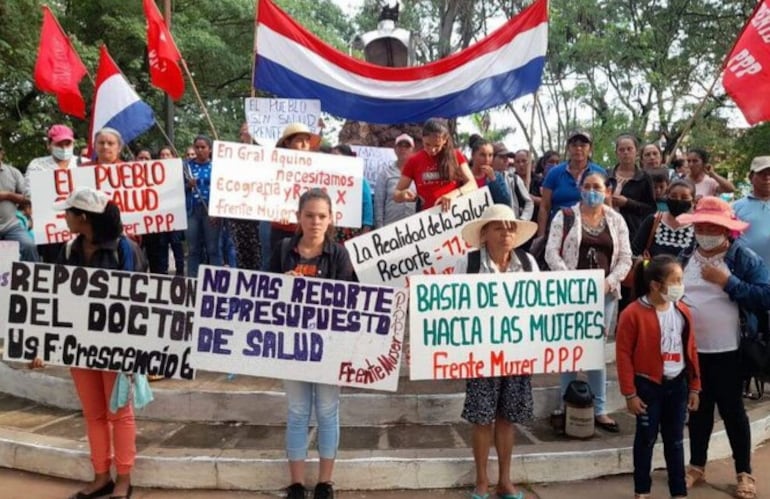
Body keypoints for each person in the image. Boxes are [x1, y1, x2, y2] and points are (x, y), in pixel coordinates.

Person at [53, 187, 147, 499]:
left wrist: (133, 352)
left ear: (83, 217)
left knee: (119, 414)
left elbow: (139, 298)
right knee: (93, 413)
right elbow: (54, 296)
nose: (64, 217)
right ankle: (100, 476)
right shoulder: (68, 250)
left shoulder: (125, 249)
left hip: (116, 346)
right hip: (79, 345)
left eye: (68, 212)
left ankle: (124, 479)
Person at [677, 197, 770, 499]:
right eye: (700, 225)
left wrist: (728, 282)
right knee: (699, 411)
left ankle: (744, 472)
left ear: (727, 229)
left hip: (730, 351)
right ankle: (696, 466)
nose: (705, 231)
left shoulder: (742, 257)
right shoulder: (686, 256)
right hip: (692, 351)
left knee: (733, 413)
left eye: (712, 226)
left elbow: (765, 296)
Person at [268, 188, 355, 499]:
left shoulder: (340, 254)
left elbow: (350, 300)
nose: (315, 221)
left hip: (329, 347)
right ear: (298, 218)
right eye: (309, 215)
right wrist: (283, 286)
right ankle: (296, 483)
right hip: (291, 345)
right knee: (297, 411)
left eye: (321, 216)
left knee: (328, 411)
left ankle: (325, 482)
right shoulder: (281, 251)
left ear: (331, 219)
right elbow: (262, 294)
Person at [456, 204, 538, 499]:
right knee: (482, 418)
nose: (506, 232)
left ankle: (505, 480)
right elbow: (452, 307)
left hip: (517, 353)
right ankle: (482, 481)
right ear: (485, 234)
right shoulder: (468, 264)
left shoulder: (528, 263)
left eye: (511, 227)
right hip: (480, 353)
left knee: (507, 417)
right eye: (499, 227)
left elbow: (540, 307)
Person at [545, 169, 632, 432]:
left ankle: (600, 408)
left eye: (598, 187)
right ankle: (565, 403)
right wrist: (572, 283)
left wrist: (611, 281)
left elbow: (626, 257)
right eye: (588, 186)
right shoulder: (566, 216)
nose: (592, 191)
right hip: (569, 295)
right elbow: (551, 252)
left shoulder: (616, 220)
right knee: (569, 349)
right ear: (580, 188)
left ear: (607, 191)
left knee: (595, 351)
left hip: (604, 295)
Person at [616, 255, 701, 499]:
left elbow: (691, 350)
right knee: (646, 439)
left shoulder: (683, 311)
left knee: (675, 441)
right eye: (675, 281)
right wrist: (629, 393)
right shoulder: (633, 314)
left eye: (681, 280)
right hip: (647, 386)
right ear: (655, 285)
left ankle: (678, 491)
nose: (679, 286)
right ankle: (642, 490)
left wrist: (695, 386)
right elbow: (623, 355)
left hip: (677, 386)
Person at [24, 124, 83, 262]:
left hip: (80, 230)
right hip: (51, 230)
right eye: (59, 144)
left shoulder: (83, 163)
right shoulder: (37, 165)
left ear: (73, 144)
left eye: (67, 143)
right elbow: (29, 193)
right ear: (49, 144)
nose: (64, 148)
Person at [393, 118, 476, 212]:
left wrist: (454, 194)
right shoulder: (414, 161)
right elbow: (396, 195)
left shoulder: (455, 155)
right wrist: (402, 194)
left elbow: (473, 184)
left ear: (445, 140)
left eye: (437, 146)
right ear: (422, 138)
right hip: (428, 218)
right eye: (427, 144)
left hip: (455, 214)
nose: (432, 150)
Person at [537, 130, 606, 237]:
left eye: (583, 145)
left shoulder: (600, 173)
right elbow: (544, 207)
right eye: (574, 145)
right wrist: (540, 237)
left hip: (591, 231)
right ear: (568, 148)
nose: (578, 149)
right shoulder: (554, 173)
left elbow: (607, 206)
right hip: (559, 231)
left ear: (590, 148)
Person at [270, 123, 322, 251]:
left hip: (307, 229)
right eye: (299, 140)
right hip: (280, 227)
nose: (305, 145)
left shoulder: (318, 168)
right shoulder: (273, 165)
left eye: (307, 141)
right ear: (287, 143)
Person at [227, 121, 265, 271]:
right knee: (241, 249)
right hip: (238, 209)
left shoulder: (264, 155)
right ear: (240, 135)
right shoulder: (231, 155)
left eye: (251, 130)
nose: (248, 132)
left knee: (257, 248)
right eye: (245, 130)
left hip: (257, 210)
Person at [185, 135, 222, 277]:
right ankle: (192, 282)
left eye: (203, 147)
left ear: (210, 149)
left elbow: (223, 190)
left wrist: (217, 212)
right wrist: (188, 185)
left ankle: (216, 283)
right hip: (192, 211)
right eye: (197, 147)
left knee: (213, 249)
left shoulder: (216, 166)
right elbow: (177, 190)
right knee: (193, 249)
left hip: (211, 211)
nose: (199, 150)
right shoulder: (186, 166)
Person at [608, 134, 656, 242]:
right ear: (616, 153)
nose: (626, 153)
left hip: (633, 231)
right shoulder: (607, 175)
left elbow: (651, 209)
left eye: (629, 149)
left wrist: (627, 203)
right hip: (608, 227)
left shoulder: (644, 178)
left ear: (637, 152)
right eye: (621, 150)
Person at [632, 179, 696, 258]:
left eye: (684, 197)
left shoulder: (698, 227)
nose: (678, 200)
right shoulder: (653, 220)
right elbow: (635, 251)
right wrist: (645, 263)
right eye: (673, 196)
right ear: (667, 197)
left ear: (693, 201)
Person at [0, 144, 39, 261]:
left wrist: (8, 195)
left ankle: (33, 277)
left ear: (2, 153)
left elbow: (27, 197)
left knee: (29, 246)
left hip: (11, 226)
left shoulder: (13, 172)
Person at [329, 144, 374, 241]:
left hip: (352, 232)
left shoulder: (359, 180)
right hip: (330, 231)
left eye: (336, 157)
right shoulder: (326, 180)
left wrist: (366, 230)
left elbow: (367, 206)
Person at [734, 156, 770, 269]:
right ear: (751, 177)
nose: (767, 178)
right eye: (761, 174)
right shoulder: (735, 208)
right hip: (748, 275)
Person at [374, 133, 416, 228]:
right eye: (400, 146)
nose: (403, 149)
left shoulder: (418, 173)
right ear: (395, 149)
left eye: (407, 146)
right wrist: (380, 228)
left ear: (412, 149)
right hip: (390, 227)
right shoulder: (385, 173)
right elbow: (378, 203)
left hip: (414, 229)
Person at [492, 143, 532, 220]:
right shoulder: (483, 179)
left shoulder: (514, 179)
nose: (505, 160)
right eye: (501, 157)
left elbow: (529, 202)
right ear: (492, 158)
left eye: (507, 157)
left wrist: (523, 219)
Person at [468, 139, 512, 206]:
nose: (487, 159)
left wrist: (493, 180)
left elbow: (505, 202)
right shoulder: (463, 175)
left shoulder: (497, 177)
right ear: (473, 155)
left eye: (490, 155)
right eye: (482, 155)